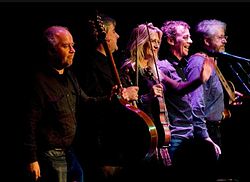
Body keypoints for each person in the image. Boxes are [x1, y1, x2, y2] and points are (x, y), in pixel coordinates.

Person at [22, 25, 129, 182]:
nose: (73, 50)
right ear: (51, 51)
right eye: (66, 46)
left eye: (73, 45)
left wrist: (110, 98)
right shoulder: (38, 82)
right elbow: (28, 123)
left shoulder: (69, 75)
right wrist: (31, 159)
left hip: (68, 151)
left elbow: (86, 102)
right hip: (50, 153)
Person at [74, 14, 140, 182]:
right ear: (104, 37)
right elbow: (89, 102)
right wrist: (123, 95)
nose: (118, 35)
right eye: (114, 32)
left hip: (117, 140)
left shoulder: (111, 62)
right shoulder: (89, 65)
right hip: (102, 142)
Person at [158, 20, 221, 182]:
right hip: (176, 137)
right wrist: (200, 79)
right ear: (171, 41)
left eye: (190, 37)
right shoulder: (163, 67)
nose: (191, 41)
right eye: (185, 37)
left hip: (189, 135)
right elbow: (180, 88)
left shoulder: (183, 66)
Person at [186, 19, 243, 181]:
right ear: (206, 40)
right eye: (220, 37)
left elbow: (208, 94)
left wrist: (227, 98)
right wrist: (204, 136)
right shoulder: (199, 62)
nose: (225, 40)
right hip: (205, 131)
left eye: (225, 37)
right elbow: (195, 103)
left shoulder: (212, 61)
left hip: (214, 129)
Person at [119, 22, 171, 181]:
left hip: (159, 131)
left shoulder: (152, 70)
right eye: (152, 41)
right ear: (142, 42)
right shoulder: (130, 69)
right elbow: (127, 106)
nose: (156, 45)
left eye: (158, 42)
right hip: (143, 133)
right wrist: (147, 97)